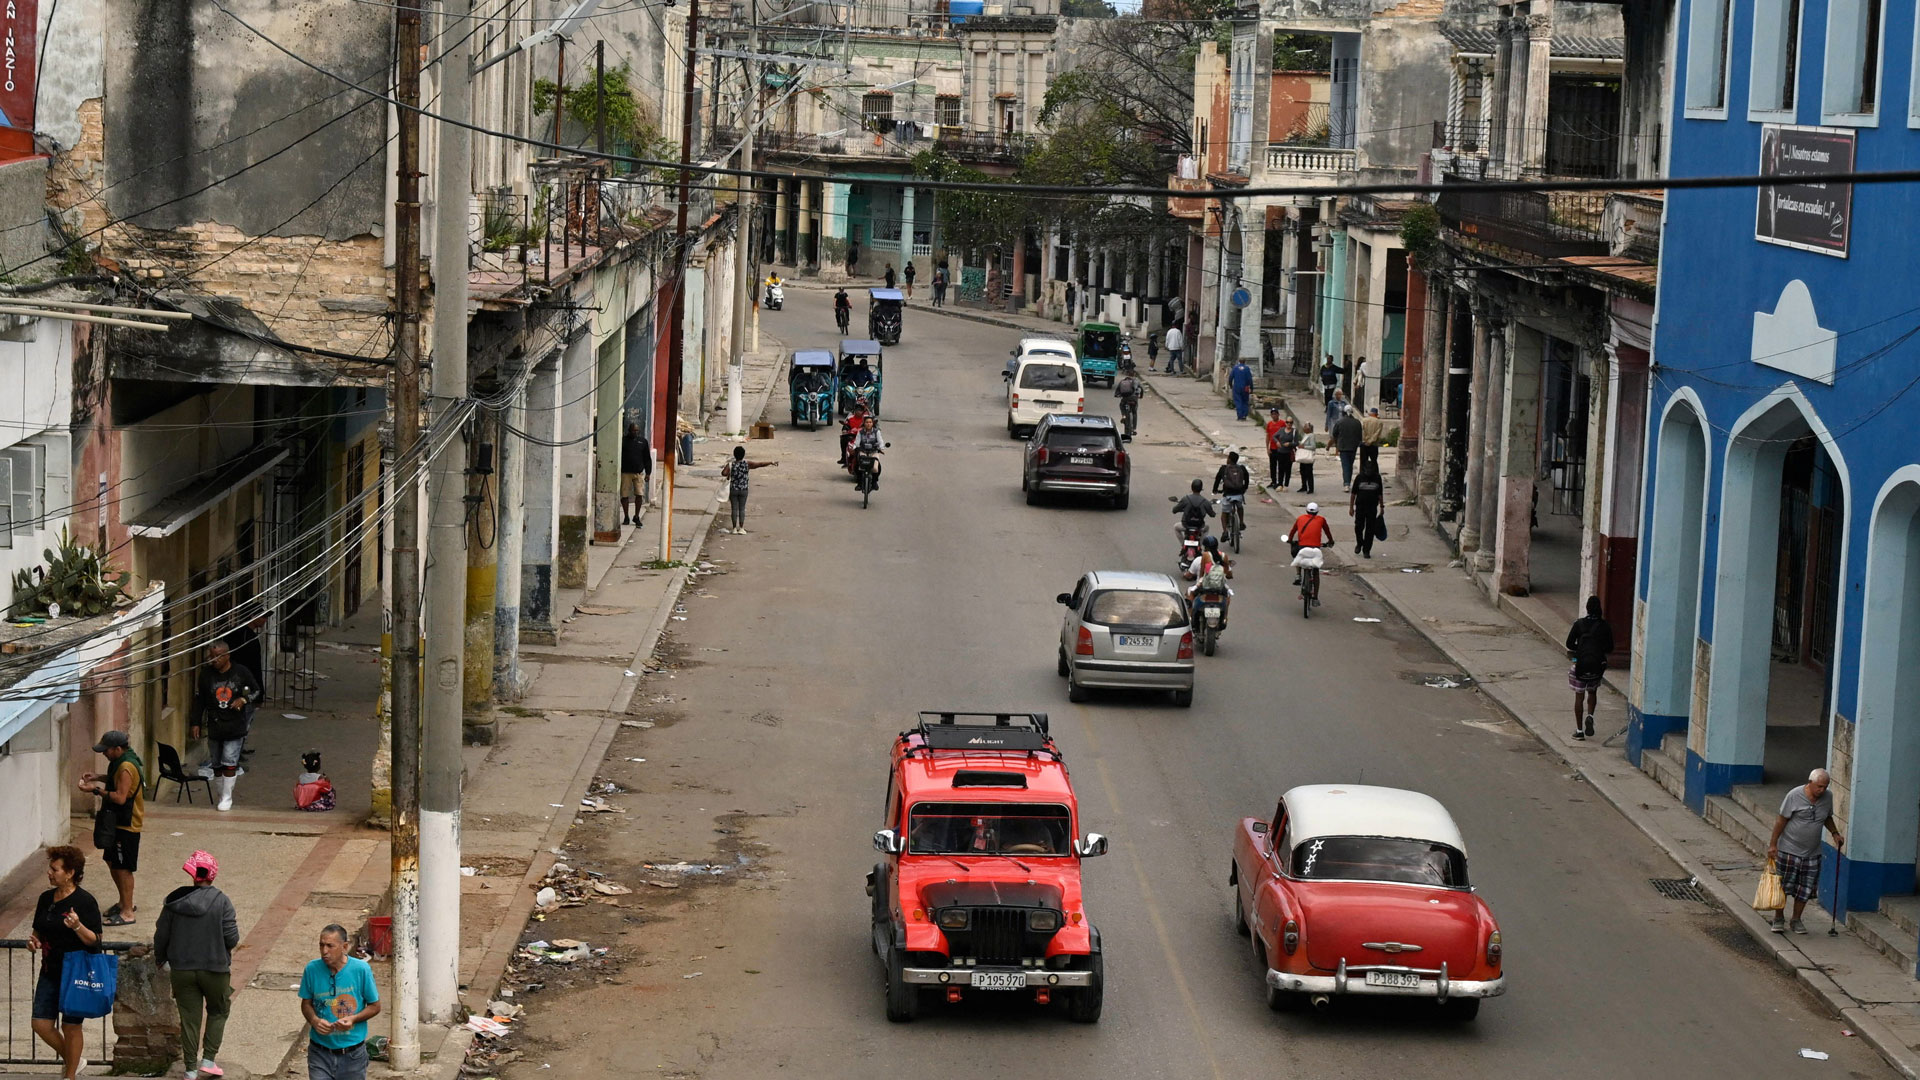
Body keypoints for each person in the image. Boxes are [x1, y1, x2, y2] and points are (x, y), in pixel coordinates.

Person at [156, 850, 239, 1080]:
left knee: (189, 1018)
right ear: (212, 875)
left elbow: (161, 934)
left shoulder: (174, 902)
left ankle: (190, 1069)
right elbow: (232, 938)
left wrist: (160, 958)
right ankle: (209, 1060)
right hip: (215, 969)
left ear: (193, 874)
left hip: (181, 969)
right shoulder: (222, 901)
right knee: (219, 1010)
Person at [30, 846, 102, 1080]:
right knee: (40, 1024)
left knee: (71, 1026)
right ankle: (75, 1060)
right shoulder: (45, 898)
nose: (49, 873)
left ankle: (70, 1075)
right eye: (50, 868)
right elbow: (38, 930)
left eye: (55, 869)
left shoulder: (85, 901)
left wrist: (77, 926)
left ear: (70, 873)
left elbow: (95, 940)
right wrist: (33, 942)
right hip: (49, 970)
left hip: (75, 972)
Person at [1767, 769, 1845, 935]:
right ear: (1810, 783)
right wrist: (1773, 844)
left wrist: (1835, 833)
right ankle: (1778, 918)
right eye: (1819, 786)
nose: (1822, 790)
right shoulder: (1794, 795)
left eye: (1825, 787)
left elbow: (1827, 817)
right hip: (1789, 849)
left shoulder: (1827, 797)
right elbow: (1781, 820)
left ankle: (1796, 919)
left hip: (1812, 852)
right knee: (1783, 886)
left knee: (1805, 889)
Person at [301, 924, 382, 1080]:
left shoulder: (361, 970)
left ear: (344, 947)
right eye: (321, 945)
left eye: (330, 946)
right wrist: (314, 1020)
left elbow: (375, 1006)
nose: (324, 951)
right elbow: (306, 1004)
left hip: (353, 1055)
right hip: (319, 1052)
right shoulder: (312, 969)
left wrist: (353, 1019)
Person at [80, 730, 143, 924]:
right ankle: (124, 902)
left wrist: (95, 790)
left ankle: (128, 912)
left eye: (106, 750)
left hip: (127, 824)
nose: (104, 754)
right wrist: (97, 777)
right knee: (112, 861)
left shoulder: (126, 766)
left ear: (117, 749)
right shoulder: (120, 762)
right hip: (116, 822)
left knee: (123, 868)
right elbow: (116, 780)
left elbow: (120, 797)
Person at [191, 643, 260, 813]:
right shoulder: (206, 674)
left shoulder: (241, 672)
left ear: (227, 655)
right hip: (215, 725)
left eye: (218, 656)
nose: (214, 660)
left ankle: (227, 797)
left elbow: (256, 690)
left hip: (235, 725)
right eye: (211, 656)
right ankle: (221, 794)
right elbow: (200, 700)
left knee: (229, 761)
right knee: (216, 764)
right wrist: (195, 722)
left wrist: (243, 700)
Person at [1565, 596, 1615, 740]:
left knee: (1579, 696)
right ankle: (1590, 716)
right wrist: (1597, 650)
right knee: (1592, 692)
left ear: (1587, 608)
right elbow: (1610, 647)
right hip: (1596, 667)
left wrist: (1581, 648)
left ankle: (1579, 731)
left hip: (1580, 665)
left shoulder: (1579, 624)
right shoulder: (1604, 626)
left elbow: (1569, 644)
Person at [723, 445, 778, 534]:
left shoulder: (731, 464)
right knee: (742, 508)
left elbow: (723, 473)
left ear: (734, 454)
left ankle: (734, 528)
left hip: (733, 489)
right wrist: (770, 462)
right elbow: (759, 464)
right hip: (744, 489)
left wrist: (730, 474)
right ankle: (741, 528)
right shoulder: (747, 464)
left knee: (734, 509)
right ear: (743, 455)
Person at [1287, 501, 1335, 592]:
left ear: (1306, 511)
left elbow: (1293, 531)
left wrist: (1290, 540)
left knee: (1298, 556)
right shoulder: (1321, 519)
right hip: (1315, 548)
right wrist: (1330, 541)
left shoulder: (1300, 518)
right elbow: (1327, 531)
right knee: (1315, 571)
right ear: (1317, 512)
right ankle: (1315, 596)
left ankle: (1298, 575)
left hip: (1302, 546)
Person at [1350, 460, 1384, 560]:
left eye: (1371, 470)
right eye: (1367, 470)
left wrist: (1382, 507)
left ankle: (1366, 550)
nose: (1369, 472)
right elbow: (1353, 494)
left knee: (1370, 529)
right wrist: (1351, 507)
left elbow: (1380, 493)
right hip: (1360, 506)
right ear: (1364, 469)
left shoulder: (1377, 478)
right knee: (1358, 527)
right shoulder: (1359, 478)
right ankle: (1359, 542)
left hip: (1372, 507)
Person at [619, 422, 651, 525]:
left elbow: (647, 458)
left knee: (639, 495)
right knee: (624, 496)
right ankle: (626, 517)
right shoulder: (623, 441)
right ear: (629, 430)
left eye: (636, 430)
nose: (635, 432)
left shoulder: (643, 442)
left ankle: (636, 516)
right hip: (625, 473)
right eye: (633, 430)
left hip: (638, 473)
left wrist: (648, 473)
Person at [1213, 451, 1252, 534]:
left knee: (1224, 513)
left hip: (1228, 495)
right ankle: (1241, 522)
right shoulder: (1242, 468)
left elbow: (1217, 480)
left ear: (1229, 459)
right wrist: (1244, 488)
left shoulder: (1223, 468)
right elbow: (1247, 478)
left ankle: (1225, 532)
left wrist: (1215, 490)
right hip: (1239, 494)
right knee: (1240, 507)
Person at [1171, 478, 1214, 544]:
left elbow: (1174, 510)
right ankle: (1200, 544)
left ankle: (1183, 544)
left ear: (1191, 488)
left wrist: (1180, 509)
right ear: (1201, 489)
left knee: (1176, 527)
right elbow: (1212, 514)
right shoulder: (1205, 501)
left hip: (1185, 525)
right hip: (1199, 526)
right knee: (1207, 528)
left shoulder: (1186, 499)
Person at [1332, 405, 1363, 491]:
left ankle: (1346, 483)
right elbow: (1360, 436)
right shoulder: (1357, 422)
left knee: (1345, 465)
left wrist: (1337, 442)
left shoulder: (1340, 422)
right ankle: (1348, 481)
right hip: (1353, 447)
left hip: (1343, 447)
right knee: (1350, 465)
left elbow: (1334, 434)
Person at [1266, 409, 1293, 490]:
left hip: (1281, 449)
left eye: (1275, 414)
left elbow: (1287, 432)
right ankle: (1273, 481)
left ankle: (1280, 482)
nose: (1274, 415)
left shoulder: (1282, 423)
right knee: (1272, 465)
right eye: (1272, 414)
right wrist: (1267, 447)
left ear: (1278, 414)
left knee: (1281, 466)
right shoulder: (1269, 424)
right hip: (1272, 448)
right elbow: (1268, 436)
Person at [1114, 370, 1141, 441]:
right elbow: (1141, 390)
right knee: (1134, 412)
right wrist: (1140, 396)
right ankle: (1134, 428)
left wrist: (1117, 395)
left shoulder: (1122, 382)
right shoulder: (1136, 381)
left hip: (1125, 399)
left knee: (1121, 405)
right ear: (1134, 375)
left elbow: (1117, 392)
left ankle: (1123, 416)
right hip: (1134, 399)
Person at [1294, 424, 1318, 494]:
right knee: (1302, 471)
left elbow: (1313, 446)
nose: (1303, 428)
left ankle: (1310, 488)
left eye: (1305, 427)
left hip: (1307, 456)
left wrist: (1304, 447)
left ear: (1309, 429)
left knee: (1308, 473)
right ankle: (1304, 486)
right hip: (1303, 456)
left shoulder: (1311, 436)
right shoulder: (1305, 435)